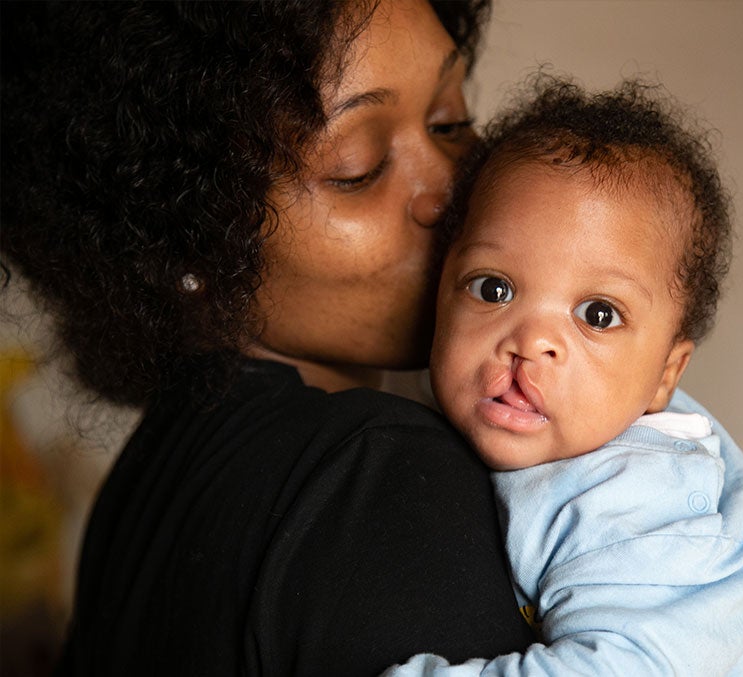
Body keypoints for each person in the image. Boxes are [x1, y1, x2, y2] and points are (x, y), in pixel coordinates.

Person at [1, 1, 539, 674]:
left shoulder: (151, 475)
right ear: (189, 238)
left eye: (450, 120)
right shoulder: (377, 474)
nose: (450, 188)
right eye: (359, 166)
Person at [384, 78, 743, 674]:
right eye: (493, 288)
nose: (532, 342)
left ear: (665, 376)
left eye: (598, 315)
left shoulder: (633, 499)